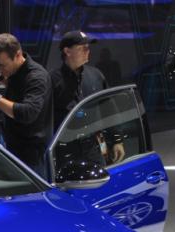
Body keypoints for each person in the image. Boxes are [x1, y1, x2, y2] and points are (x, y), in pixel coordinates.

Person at [0, 33, 52, 176]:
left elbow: (27, 113)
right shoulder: (13, 74)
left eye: (3, 65)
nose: (0, 70)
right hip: (13, 149)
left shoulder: (37, 77)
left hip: (31, 157)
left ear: (18, 55)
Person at [50, 30, 125, 165]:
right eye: (82, 48)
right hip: (66, 149)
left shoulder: (96, 75)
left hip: (94, 145)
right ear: (67, 51)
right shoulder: (53, 80)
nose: (87, 51)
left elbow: (108, 109)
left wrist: (117, 139)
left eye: (88, 47)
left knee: (101, 176)